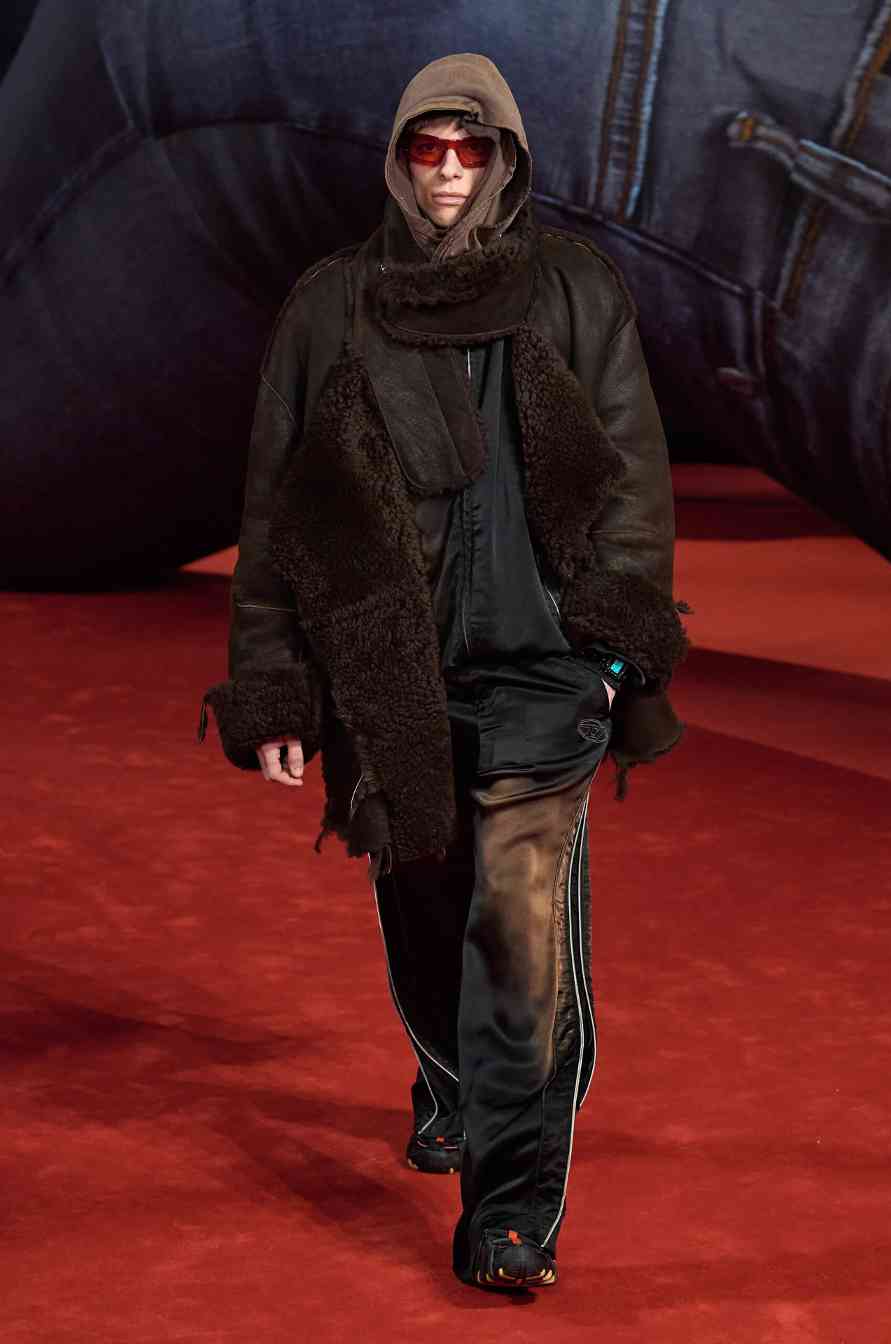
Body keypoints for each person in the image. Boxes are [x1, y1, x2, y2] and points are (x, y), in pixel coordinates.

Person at [198, 52, 691, 1292]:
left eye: (474, 150)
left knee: (517, 941)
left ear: (507, 158)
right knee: (427, 922)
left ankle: (509, 1214)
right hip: (391, 682)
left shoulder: (570, 288)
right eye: (430, 148)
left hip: (543, 674)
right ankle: (454, 1082)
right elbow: (278, 507)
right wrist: (276, 683)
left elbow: (630, 477)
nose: (451, 171)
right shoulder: (334, 305)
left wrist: (611, 652)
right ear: (399, 159)